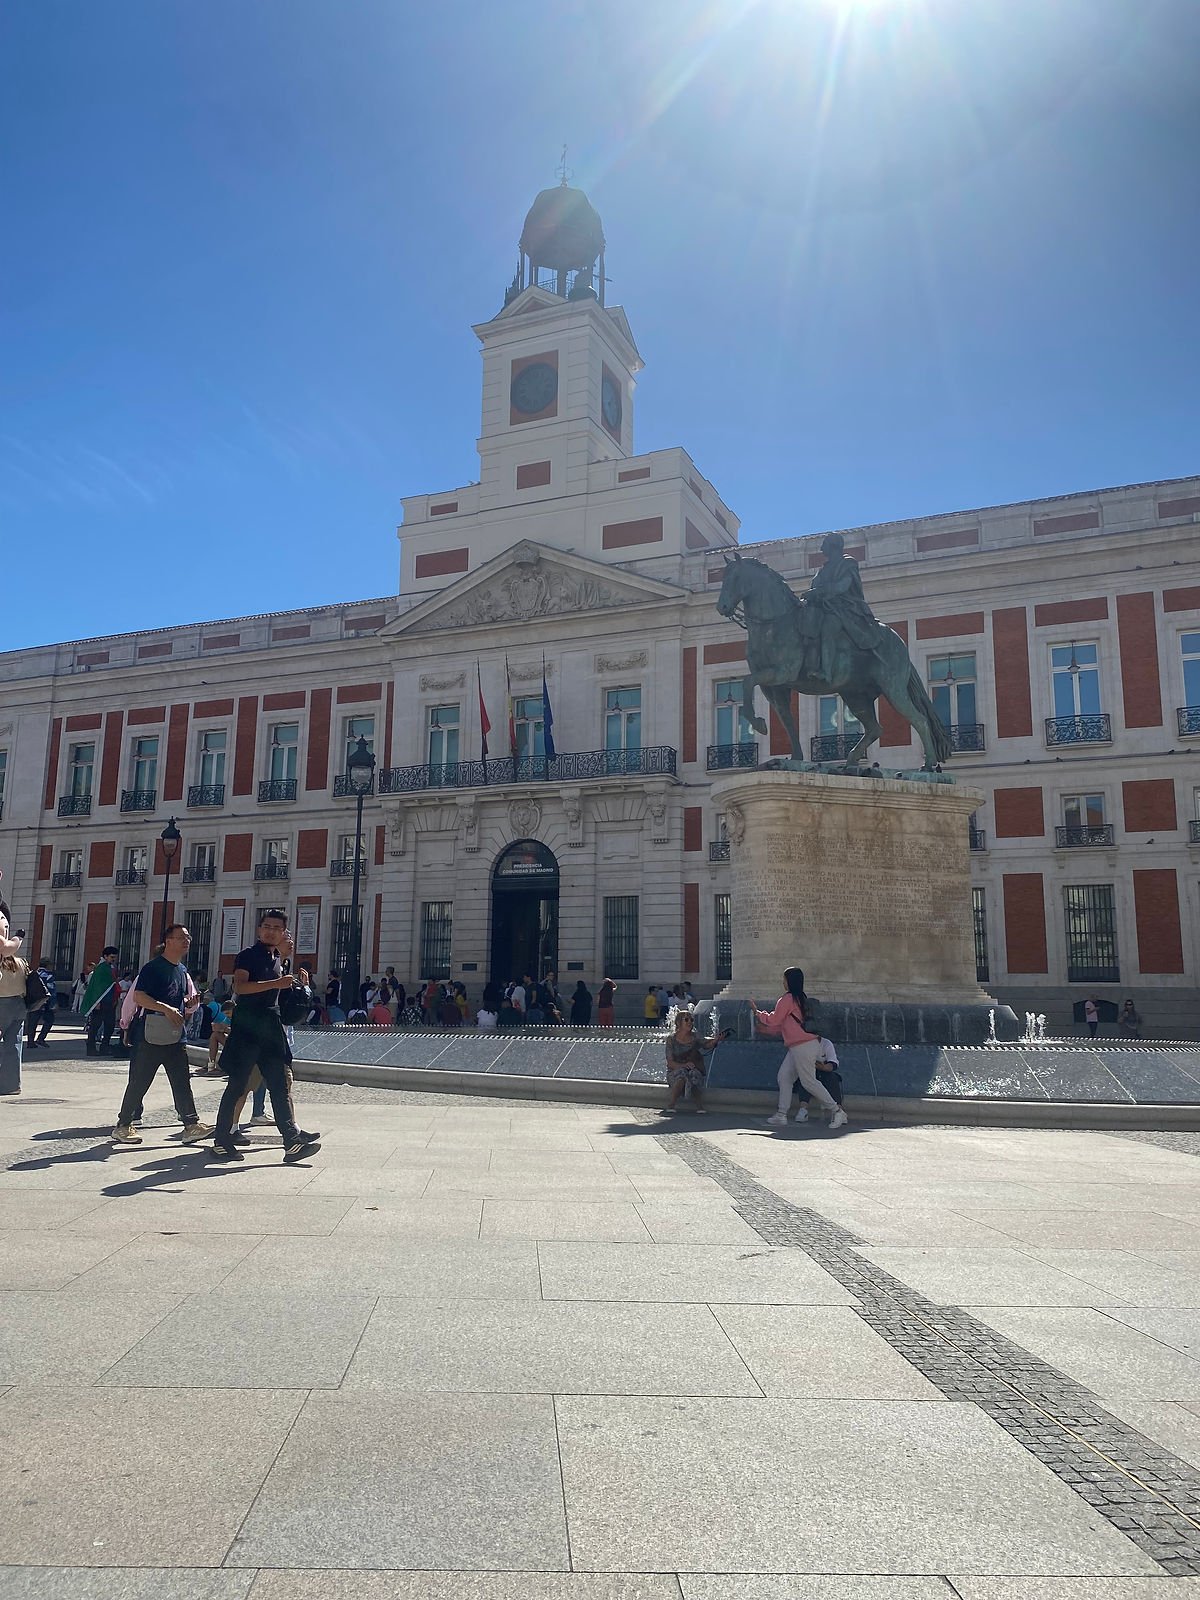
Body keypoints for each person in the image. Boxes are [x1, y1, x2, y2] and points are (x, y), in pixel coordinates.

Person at [209, 909, 320, 1165]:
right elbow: (239, 986)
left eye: (277, 928)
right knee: (237, 1086)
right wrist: (275, 984)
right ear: (259, 929)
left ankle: (291, 1142)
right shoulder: (248, 955)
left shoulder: (278, 959)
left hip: (270, 1026)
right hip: (248, 1025)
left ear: (283, 933)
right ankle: (221, 1141)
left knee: (280, 1085)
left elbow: (282, 992)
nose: (271, 931)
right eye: (267, 926)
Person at [110, 926, 214, 1146]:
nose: (186, 941)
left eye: (188, 937)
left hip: (175, 1033)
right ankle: (123, 1125)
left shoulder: (181, 970)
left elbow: (179, 1001)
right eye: (181, 937)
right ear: (168, 941)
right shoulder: (153, 968)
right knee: (140, 1081)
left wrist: (189, 1004)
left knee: (182, 1080)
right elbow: (138, 997)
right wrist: (165, 1009)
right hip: (151, 1032)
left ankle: (191, 1125)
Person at [752, 966, 848, 1130]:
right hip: (803, 1045)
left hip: (802, 1045)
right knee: (784, 1077)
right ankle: (781, 1115)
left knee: (809, 1082)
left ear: (789, 981)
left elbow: (775, 1020)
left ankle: (837, 1111)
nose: (783, 982)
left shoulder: (787, 999)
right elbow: (785, 1024)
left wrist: (758, 1013)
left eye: (784, 979)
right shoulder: (801, 999)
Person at [663, 1010, 728, 1115]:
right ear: (678, 1022)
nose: (690, 1022)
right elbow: (670, 1063)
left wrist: (716, 1040)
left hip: (691, 1069)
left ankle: (699, 1106)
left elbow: (706, 1044)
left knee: (694, 1074)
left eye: (691, 1020)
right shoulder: (671, 1039)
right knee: (682, 1075)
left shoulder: (695, 1037)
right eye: (686, 1020)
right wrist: (684, 1065)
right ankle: (671, 1104)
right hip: (674, 1071)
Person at [0, 905, 28, 1096]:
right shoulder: (20, 963)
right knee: (14, 1044)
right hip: (18, 1004)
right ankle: (11, 1085)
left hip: (1, 1003)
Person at [792, 1036, 845, 1122]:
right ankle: (803, 1110)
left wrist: (824, 1067)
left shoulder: (826, 1043)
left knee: (833, 1078)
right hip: (808, 1070)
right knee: (805, 1077)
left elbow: (833, 1063)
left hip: (824, 1071)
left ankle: (839, 1111)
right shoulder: (802, 1044)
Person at [82, 946, 121, 1055]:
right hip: (101, 1002)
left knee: (110, 1025)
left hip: (110, 1001)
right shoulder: (100, 969)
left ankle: (105, 1046)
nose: (114, 959)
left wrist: (115, 998)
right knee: (95, 1025)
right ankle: (91, 1047)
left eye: (115, 957)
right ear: (105, 956)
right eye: (112, 957)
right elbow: (96, 987)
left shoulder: (110, 968)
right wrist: (97, 1002)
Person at [24, 957, 57, 1049]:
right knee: (49, 1020)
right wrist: (53, 1004)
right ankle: (41, 1038)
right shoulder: (48, 975)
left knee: (32, 1022)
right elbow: (51, 990)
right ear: (48, 965)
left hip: (33, 1001)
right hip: (45, 1002)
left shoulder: (33, 974)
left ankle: (30, 1042)